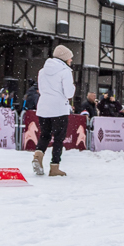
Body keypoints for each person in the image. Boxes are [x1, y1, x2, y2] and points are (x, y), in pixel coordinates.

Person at [32, 45, 75, 177]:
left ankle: (38, 156)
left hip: (44, 107)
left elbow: (42, 89)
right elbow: (68, 93)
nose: (71, 60)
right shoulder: (65, 71)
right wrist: (73, 87)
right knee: (58, 138)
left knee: (45, 134)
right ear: (64, 58)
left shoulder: (42, 71)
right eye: (70, 57)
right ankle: (54, 167)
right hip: (59, 108)